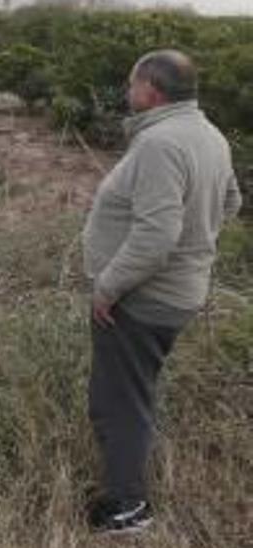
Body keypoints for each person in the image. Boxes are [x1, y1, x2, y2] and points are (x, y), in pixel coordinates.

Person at [82, 49, 243, 533]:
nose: (127, 92)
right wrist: (197, 243)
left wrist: (107, 288)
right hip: (176, 293)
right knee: (131, 392)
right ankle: (126, 485)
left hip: (141, 299)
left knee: (120, 402)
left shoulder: (160, 143)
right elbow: (231, 201)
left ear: (150, 90)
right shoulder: (207, 134)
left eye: (132, 84)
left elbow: (155, 236)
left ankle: (128, 508)